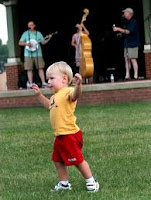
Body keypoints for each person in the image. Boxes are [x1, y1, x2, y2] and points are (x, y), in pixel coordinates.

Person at [32, 61, 99, 192]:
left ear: (64, 79)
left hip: (70, 134)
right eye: (48, 79)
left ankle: (91, 181)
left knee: (78, 161)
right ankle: (64, 184)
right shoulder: (54, 96)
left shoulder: (68, 91)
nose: (48, 82)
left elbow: (76, 95)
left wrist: (78, 85)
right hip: (60, 135)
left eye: (51, 78)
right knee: (58, 160)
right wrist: (39, 95)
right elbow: (49, 107)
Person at [18, 21, 52, 88]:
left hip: (38, 54)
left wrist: (49, 38)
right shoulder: (25, 34)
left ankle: (43, 82)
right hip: (28, 54)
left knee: (40, 68)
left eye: (31, 25)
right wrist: (27, 44)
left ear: (34, 25)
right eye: (29, 25)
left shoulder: (38, 33)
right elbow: (20, 42)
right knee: (29, 69)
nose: (30, 26)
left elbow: (43, 42)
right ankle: (30, 83)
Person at [113, 8, 141, 80]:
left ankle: (135, 75)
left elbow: (128, 31)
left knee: (133, 59)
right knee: (126, 59)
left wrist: (118, 29)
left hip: (133, 43)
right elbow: (125, 32)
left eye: (125, 13)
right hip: (127, 43)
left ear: (129, 14)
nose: (124, 14)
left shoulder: (133, 21)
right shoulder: (126, 22)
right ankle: (127, 75)